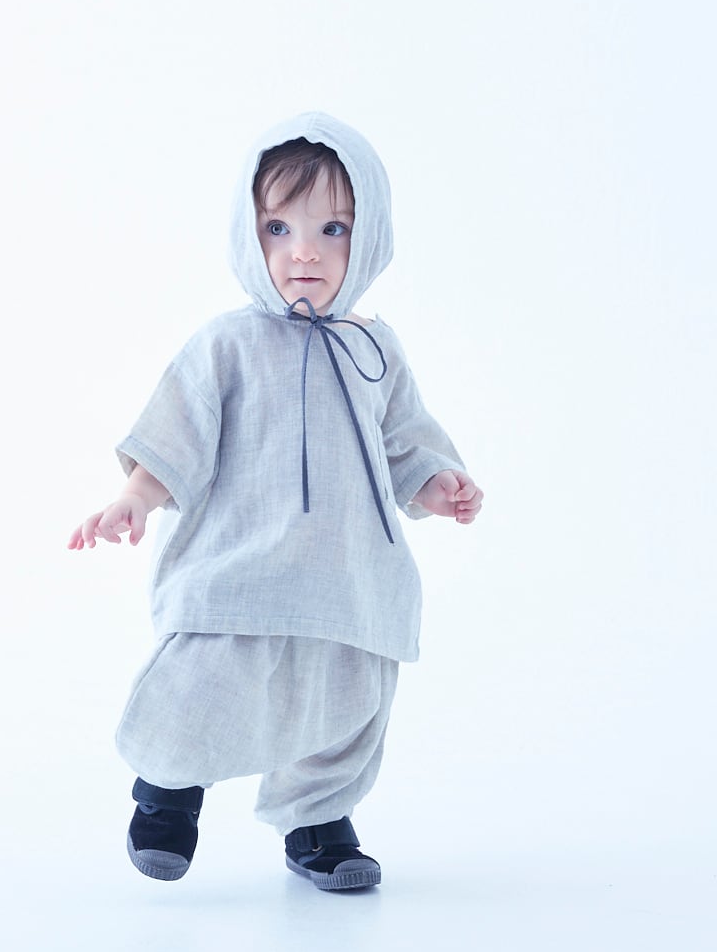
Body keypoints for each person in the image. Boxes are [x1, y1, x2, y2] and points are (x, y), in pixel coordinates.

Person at [67, 115, 482, 892]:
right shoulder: (227, 344)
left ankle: (318, 823)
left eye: (333, 229)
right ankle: (167, 791)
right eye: (279, 229)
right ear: (248, 235)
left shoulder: (375, 348)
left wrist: (437, 483)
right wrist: (136, 495)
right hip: (241, 566)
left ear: (370, 238)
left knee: (343, 707)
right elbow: (177, 432)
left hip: (349, 580)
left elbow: (404, 441)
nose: (305, 252)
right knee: (202, 685)